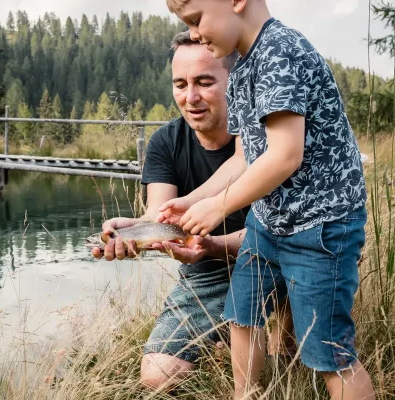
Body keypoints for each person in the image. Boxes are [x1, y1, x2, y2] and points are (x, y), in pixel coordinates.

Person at [159, 1, 376, 399]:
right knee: (242, 315)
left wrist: (220, 206)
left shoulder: (281, 51)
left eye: (196, 20)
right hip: (271, 221)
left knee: (328, 353)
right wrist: (192, 200)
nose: (193, 33)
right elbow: (246, 158)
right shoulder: (240, 66)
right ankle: (246, 395)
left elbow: (284, 155)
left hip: (320, 226)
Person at [92, 31, 294, 391]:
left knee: (288, 361)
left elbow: (282, 230)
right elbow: (161, 215)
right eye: (180, 84)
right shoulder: (165, 142)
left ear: (235, 80)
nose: (191, 97)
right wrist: (133, 230)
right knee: (157, 375)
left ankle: (278, 339)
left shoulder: (268, 135)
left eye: (204, 82)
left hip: (278, 259)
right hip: (206, 275)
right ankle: (226, 339)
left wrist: (214, 243)